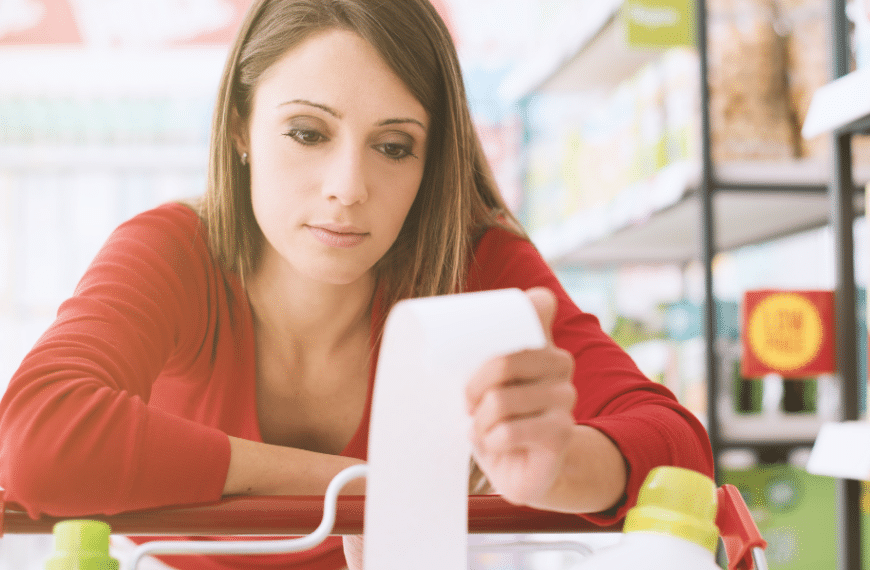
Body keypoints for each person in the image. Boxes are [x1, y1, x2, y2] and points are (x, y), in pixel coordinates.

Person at [0, 1, 714, 569]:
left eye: (393, 146)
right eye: (308, 133)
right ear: (242, 128)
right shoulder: (174, 250)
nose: (349, 189)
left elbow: (678, 449)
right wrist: (359, 483)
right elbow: (37, 439)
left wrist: (561, 468)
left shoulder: (473, 265)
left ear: (431, 162)